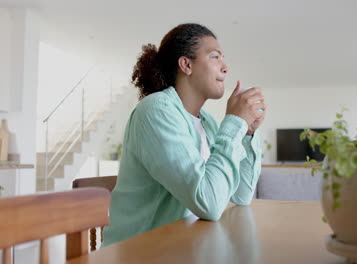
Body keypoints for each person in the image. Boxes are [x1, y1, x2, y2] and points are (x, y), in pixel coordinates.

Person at [102, 23, 266, 246]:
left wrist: (247, 132)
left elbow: (241, 195)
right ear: (186, 64)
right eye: (215, 57)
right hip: (140, 253)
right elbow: (209, 204)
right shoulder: (156, 110)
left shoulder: (206, 122)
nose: (225, 67)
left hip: (183, 246)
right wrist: (234, 123)